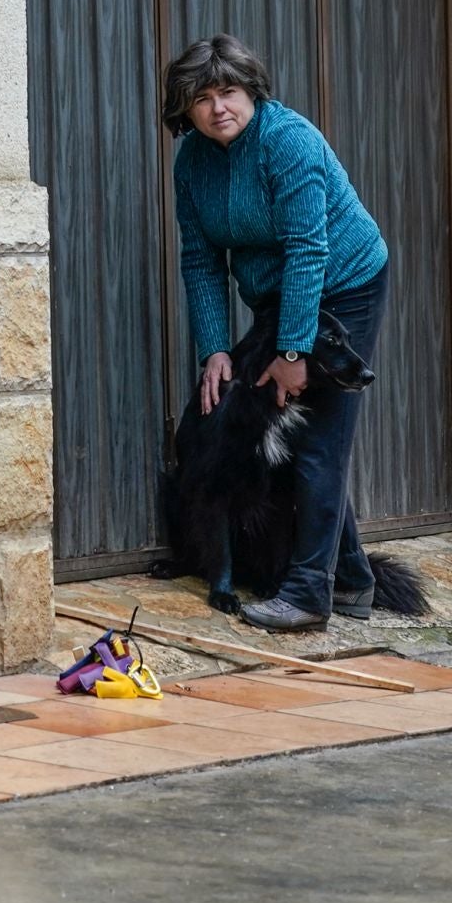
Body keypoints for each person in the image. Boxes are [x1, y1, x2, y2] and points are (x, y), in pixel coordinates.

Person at [164, 34, 389, 632]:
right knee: (277, 428)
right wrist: (214, 348)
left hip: (343, 282)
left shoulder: (288, 141)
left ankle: (310, 595)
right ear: (185, 107)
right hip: (276, 295)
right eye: (203, 98)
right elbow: (200, 259)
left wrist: (292, 351)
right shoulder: (192, 163)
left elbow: (308, 248)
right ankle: (354, 580)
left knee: (317, 441)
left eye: (229, 92)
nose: (218, 108)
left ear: (252, 92)